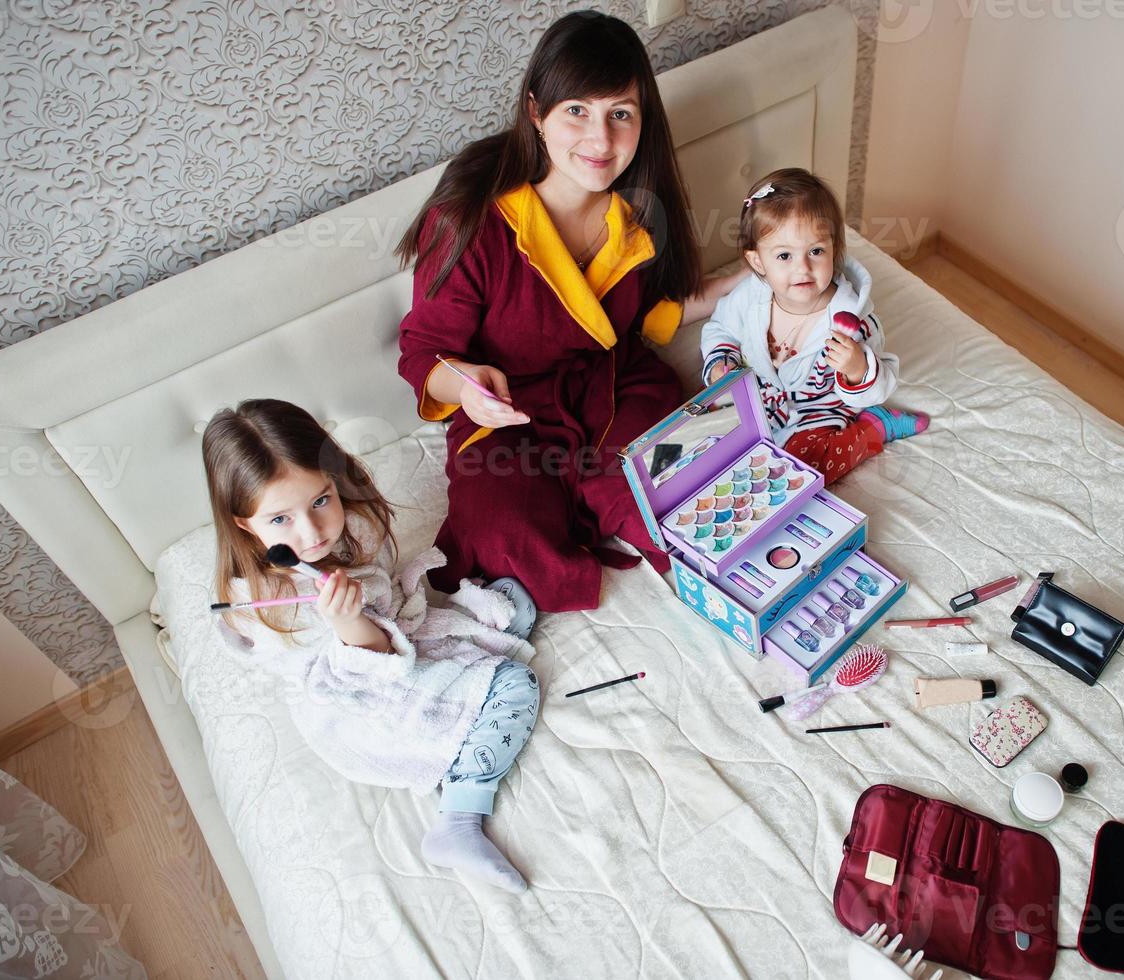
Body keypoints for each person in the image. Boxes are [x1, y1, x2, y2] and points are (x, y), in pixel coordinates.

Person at [397, 10, 743, 611]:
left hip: (615, 387)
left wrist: (755, 273)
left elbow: (656, 311)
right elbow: (424, 350)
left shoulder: (641, 210)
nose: (601, 140)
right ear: (536, 111)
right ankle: (571, 499)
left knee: (683, 497)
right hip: (507, 415)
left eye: (621, 114)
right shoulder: (471, 221)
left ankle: (609, 495)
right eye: (576, 110)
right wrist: (465, 385)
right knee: (497, 541)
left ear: (643, 121)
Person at [203, 398, 538, 892]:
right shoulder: (272, 606)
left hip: (392, 632)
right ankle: (459, 817)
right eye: (280, 520)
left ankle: (466, 706)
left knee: (517, 603)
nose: (312, 532)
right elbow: (355, 675)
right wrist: (349, 624)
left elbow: (392, 588)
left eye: (320, 500)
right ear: (243, 524)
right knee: (515, 683)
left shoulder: (352, 525)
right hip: (356, 692)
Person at [701, 168, 928, 483]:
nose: (803, 268)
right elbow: (720, 329)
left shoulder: (850, 320)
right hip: (760, 402)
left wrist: (857, 367)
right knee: (707, 448)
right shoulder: (749, 298)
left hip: (817, 414)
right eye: (784, 256)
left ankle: (875, 427)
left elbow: (880, 384)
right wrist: (721, 363)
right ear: (757, 262)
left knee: (805, 472)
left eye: (816, 251)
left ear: (834, 249)